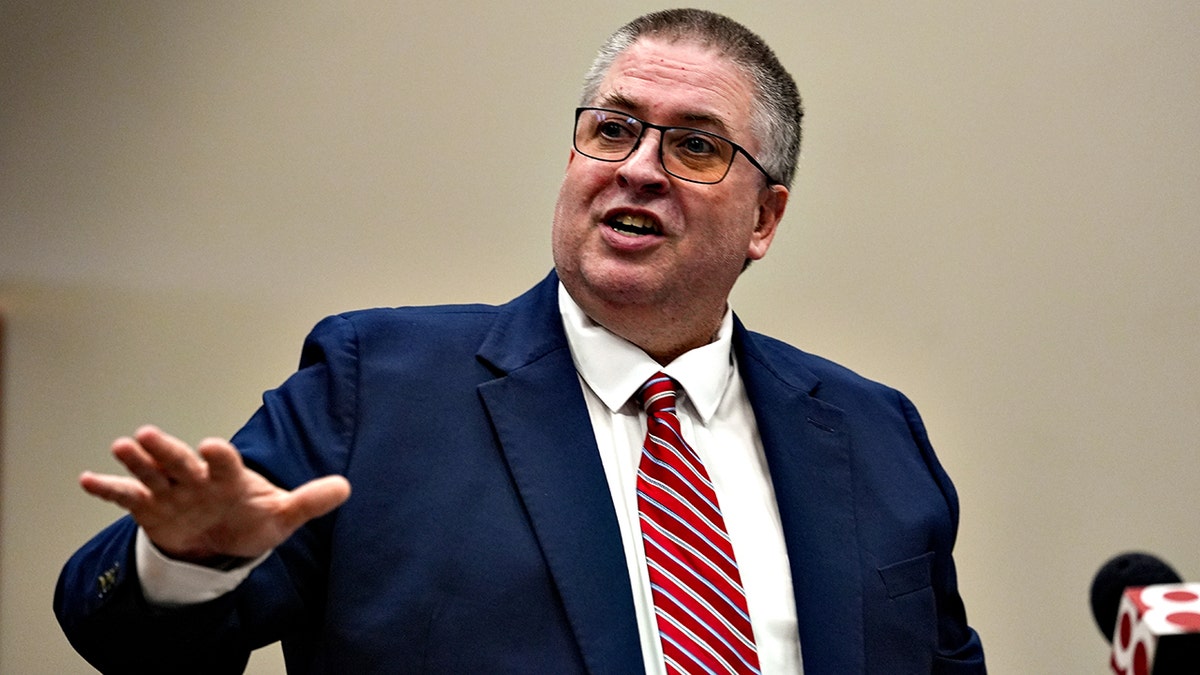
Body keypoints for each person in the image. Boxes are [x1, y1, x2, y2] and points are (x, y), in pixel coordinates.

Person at [55, 8, 986, 674]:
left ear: (764, 219)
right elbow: (132, 643)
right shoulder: (375, 387)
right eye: (613, 129)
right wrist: (189, 563)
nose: (640, 169)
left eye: (695, 146)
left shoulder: (875, 431)